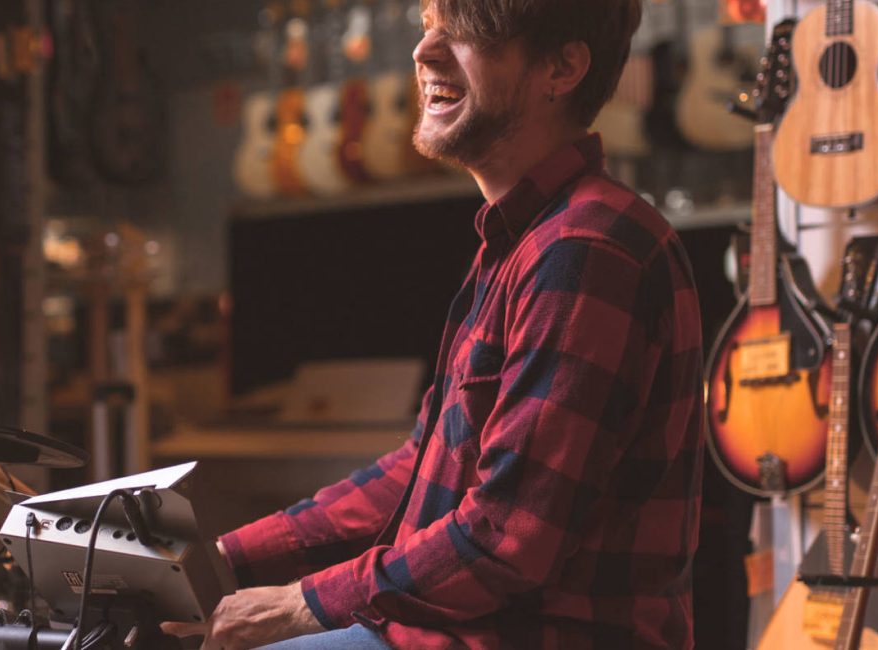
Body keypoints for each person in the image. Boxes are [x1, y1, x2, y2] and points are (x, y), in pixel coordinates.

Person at [162, 0, 703, 647]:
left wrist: (296, 605)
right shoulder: (524, 242)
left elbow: (506, 540)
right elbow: (417, 470)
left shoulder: (586, 249)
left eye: (467, 31)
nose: (424, 52)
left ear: (561, 68)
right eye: (427, 26)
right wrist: (225, 558)